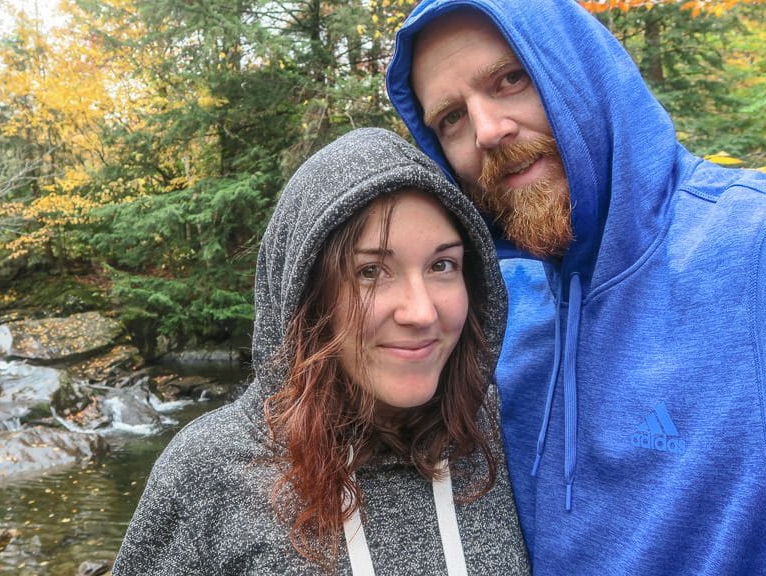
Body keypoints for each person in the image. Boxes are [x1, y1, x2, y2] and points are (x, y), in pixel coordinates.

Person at [385, 1, 766, 574]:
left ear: (580, 69)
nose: (488, 130)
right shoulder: (489, 307)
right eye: (452, 119)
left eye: (511, 79)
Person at [111, 127, 531, 575]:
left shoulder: (495, 432)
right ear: (306, 300)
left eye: (442, 265)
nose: (421, 312)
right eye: (371, 271)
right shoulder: (209, 470)